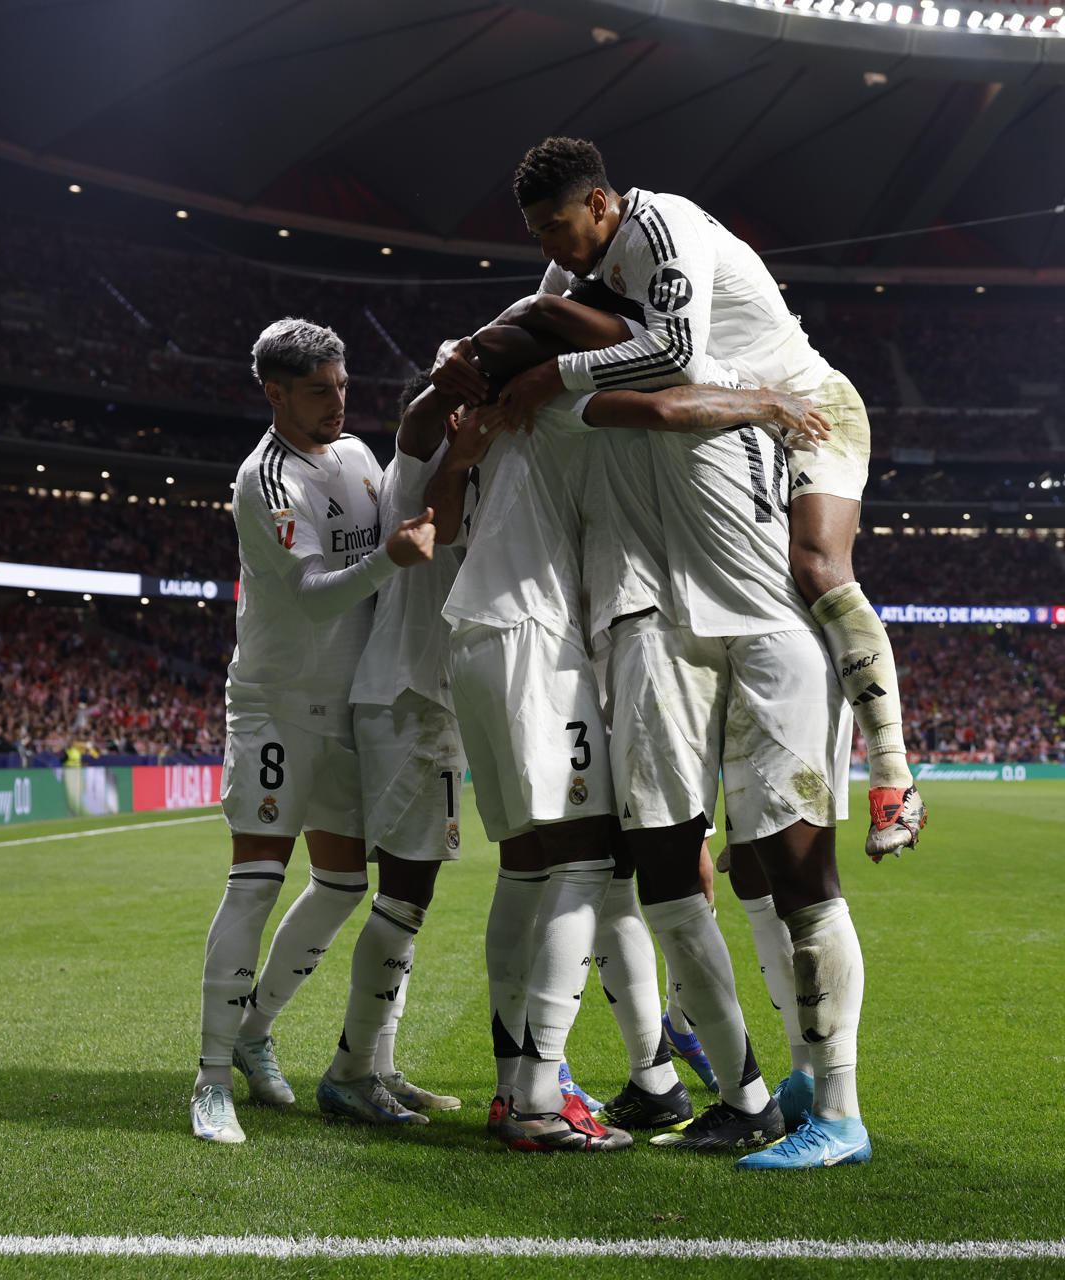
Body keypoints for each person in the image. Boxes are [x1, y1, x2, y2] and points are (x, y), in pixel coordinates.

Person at [432, 136, 925, 861]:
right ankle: (755, 796)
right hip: (732, 426)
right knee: (724, 601)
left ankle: (893, 775)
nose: (548, 244)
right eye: (535, 232)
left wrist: (556, 376)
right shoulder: (578, 256)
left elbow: (678, 356)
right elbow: (531, 315)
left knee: (816, 568)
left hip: (808, 406)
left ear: (598, 203)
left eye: (555, 228)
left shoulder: (664, 228)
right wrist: (459, 348)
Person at [474, 290, 868, 1168]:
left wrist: (537, 349)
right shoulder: (739, 384)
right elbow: (656, 383)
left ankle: (786, 1099)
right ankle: (759, 1088)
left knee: (709, 872)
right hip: (695, 629)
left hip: (660, 626)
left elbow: (646, 388)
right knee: (737, 868)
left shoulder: (601, 400)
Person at [190, 318, 437, 1146]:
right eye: (319, 391)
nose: (338, 403)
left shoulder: (359, 456)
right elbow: (314, 593)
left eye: (342, 386)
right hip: (275, 706)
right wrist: (392, 559)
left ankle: (257, 1032)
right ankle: (211, 1079)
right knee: (255, 884)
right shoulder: (263, 480)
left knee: (340, 888)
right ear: (275, 393)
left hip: (351, 706)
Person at [315, 374, 470, 1120]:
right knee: (406, 893)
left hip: (420, 702)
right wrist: (453, 383)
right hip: (409, 702)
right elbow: (415, 426)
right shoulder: (417, 466)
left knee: (412, 894)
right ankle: (350, 1072)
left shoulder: (455, 473)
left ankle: (377, 1065)